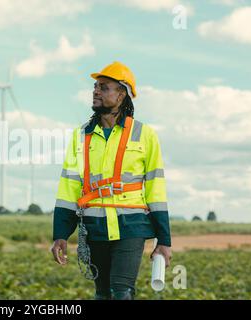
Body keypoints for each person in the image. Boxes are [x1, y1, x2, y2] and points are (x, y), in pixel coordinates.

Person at [51, 61, 172, 300]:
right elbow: (69, 186)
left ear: (121, 95)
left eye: (104, 87)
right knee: (102, 294)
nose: (96, 91)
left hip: (132, 227)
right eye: (95, 87)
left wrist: (164, 239)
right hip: (94, 227)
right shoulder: (81, 135)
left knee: (122, 292)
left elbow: (156, 188)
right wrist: (60, 234)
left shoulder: (145, 134)